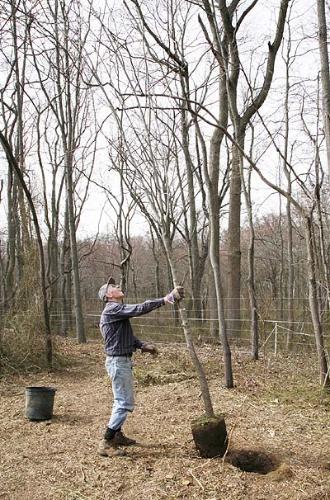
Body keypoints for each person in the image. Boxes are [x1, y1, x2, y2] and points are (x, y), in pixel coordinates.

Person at [97, 278, 184, 457]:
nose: (118, 286)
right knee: (124, 402)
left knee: (120, 400)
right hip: (118, 362)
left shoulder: (116, 312)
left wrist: (142, 345)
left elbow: (124, 336)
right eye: (113, 286)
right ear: (108, 295)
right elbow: (140, 308)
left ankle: (117, 435)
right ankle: (106, 441)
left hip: (120, 361)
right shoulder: (112, 309)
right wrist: (168, 298)